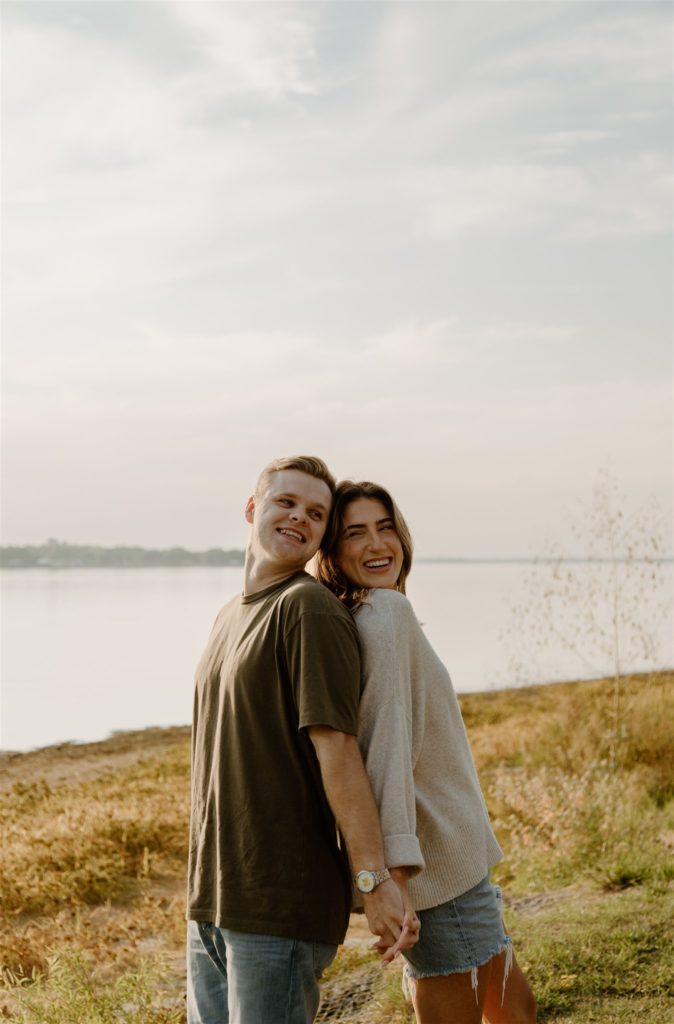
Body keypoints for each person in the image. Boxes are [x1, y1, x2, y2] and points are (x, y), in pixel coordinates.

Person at [186, 457, 419, 1024]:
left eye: (315, 513)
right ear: (252, 507)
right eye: (286, 502)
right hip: (213, 901)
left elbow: (339, 751)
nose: (299, 518)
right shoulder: (229, 616)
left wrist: (374, 879)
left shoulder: (307, 609)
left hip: (279, 908)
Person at [316, 481, 537, 1024]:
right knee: (507, 1014)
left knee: (509, 1007)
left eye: (385, 527)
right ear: (333, 552)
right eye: (355, 533)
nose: (376, 544)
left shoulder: (377, 615)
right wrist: (398, 882)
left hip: (450, 865)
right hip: (436, 871)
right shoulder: (386, 616)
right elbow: (385, 755)